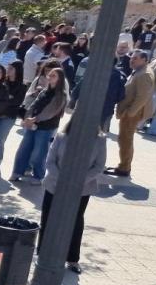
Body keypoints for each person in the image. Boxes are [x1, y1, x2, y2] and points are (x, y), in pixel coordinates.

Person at [37, 117, 106, 274]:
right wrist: (61, 179)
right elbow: (50, 161)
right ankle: (42, 252)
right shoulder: (62, 137)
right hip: (55, 184)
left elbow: (99, 167)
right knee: (47, 218)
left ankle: (72, 259)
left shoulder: (99, 140)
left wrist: (79, 181)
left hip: (81, 188)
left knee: (75, 221)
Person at [9, 67, 69, 184]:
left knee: (39, 152)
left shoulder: (61, 95)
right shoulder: (44, 91)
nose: (50, 77)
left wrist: (35, 119)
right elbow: (34, 104)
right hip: (32, 124)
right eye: (50, 75)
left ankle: (38, 176)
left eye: (53, 76)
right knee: (24, 149)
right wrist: (27, 118)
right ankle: (17, 172)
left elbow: (51, 111)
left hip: (46, 127)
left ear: (60, 79)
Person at [105, 50, 154, 178]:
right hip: (130, 112)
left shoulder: (144, 74)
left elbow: (142, 97)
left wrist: (130, 113)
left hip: (133, 113)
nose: (132, 60)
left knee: (125, 139)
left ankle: (124, 168)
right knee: (124, 138)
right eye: (132, 58)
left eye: (136, 59)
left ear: (144, 60)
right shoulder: (139, 71)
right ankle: (124, 165)